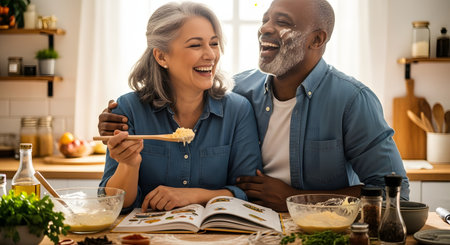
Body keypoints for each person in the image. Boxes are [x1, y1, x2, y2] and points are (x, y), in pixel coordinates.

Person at [98, 0, 409, 212]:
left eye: (282, 23)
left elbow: (394, 193)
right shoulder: (241, 90)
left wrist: (295, 199)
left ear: (317, 40)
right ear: (161, 55)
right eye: (265, 20)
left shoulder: (352, 100)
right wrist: (115, 127)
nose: (265, 29)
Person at [99, 2, 262, 213]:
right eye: (196, 45)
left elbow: (247, 193)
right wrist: (129, 164)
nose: (211, 55)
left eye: (213, 43)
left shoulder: (238, 111)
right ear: (161, 56)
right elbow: (112, 204)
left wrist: (192, 195)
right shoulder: (127, 110)